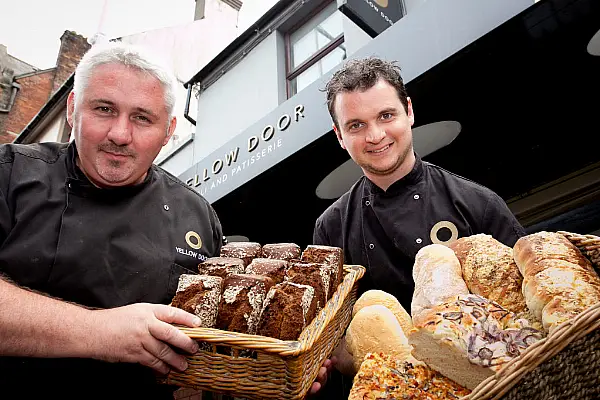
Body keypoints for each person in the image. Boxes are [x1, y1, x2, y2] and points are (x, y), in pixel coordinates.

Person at [0, 42, 223, 398]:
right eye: (104, 109)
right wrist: (98, 331)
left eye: (142, 118)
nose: (120, 135)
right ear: (74, 110)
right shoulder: (10, 172)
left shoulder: (198, 215)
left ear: (168, 131)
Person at [311, 57, 526, 397]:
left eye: (386, 115)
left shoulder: (476, 202)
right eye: (356, 125)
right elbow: (332, 341)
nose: (376, 135)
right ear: (339, 136)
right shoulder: (330, 230)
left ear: (408, 111)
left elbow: (525, 312)